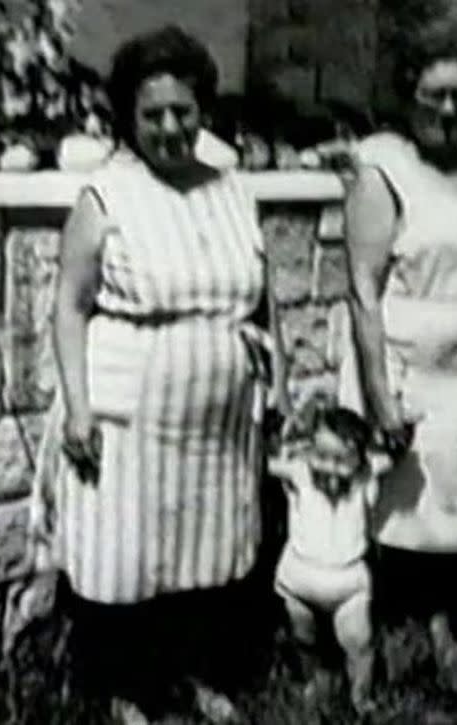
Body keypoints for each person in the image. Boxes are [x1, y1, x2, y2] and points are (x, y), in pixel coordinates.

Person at [30, 25, 288, 724]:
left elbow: (265, 299)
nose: (171, 127)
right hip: (130, 412)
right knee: (127, 557)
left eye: (184, 111)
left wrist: (279, 386)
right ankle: (124, 689)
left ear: (202, 108)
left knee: (207, 552)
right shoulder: (107, 196)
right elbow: (69, 306)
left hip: (219, 420)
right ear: (128, 118)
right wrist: (79, 408)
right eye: (153, 115)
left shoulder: (233, 189)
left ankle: (200, 675)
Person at [335, 20, 457, 676]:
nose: (449, 109)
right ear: (408, 94)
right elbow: (362, 289)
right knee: (393, 502)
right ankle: (376, 625)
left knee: (456, 503)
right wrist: (381, 393)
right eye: (434, 94)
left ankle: (443, 625)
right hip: (404, 359)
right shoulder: (383, 167)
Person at [268, 393, 391, 712]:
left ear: (360, 460)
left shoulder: (365, 479)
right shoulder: (300, 474)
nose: (330, 469)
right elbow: (267, 461)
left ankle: (361, 697)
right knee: (305, 638)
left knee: (359, 644)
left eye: (341, 461)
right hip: (299, 580)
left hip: (348, 583)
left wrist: (393, 427)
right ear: (309, 451)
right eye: (321, 456)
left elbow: (392, 454)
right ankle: (315, 680)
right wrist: (289, 431)